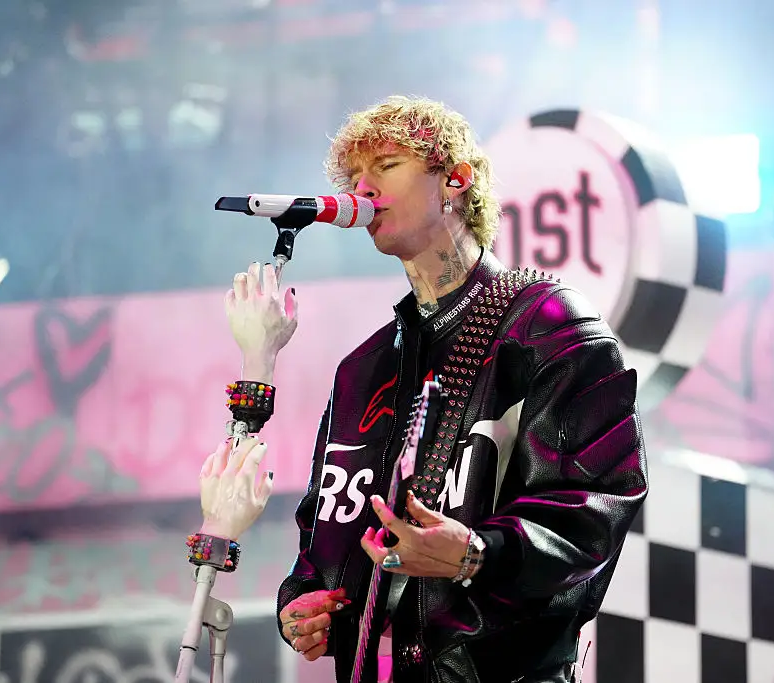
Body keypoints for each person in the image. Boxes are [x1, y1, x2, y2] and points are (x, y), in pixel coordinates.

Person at [229, 95, 648, 683]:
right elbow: (323, 522)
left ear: (455, 180)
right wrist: (302, 600)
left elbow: (593, 508)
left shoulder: (549, 327)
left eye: (387, 165)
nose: (363, 187)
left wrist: (478, 554)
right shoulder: (366, 368)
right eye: (354, 175)